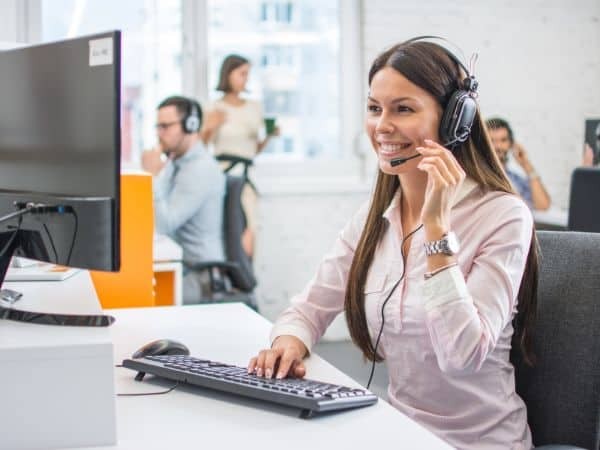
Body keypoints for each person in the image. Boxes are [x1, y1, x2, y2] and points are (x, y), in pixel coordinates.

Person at [248, 39, 539, 450]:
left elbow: (463, 356)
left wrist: (436, 231)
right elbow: (308, 308)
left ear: (456, 119)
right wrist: (288, 343)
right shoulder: (376, 216)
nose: (382, 125)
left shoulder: (503, 216)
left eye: (403, 108)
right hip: (398, 434)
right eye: (374, 108)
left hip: (480, 444)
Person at [142, 95, 226, 304]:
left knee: (142, 300)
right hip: (180, 265)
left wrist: (151, 176)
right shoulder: (176, 162)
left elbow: (164, 224)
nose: (159, 134)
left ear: (191, 125)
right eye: (157, 127)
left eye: (165, 127)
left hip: (199, 276)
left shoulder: (200, 170)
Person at [200, 54, 278, 258]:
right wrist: (210, 126)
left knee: (250, 227)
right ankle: (226, 278)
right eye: (242, 74)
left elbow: (254, 150)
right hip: (222, 176)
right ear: (228, 74)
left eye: (248, 74)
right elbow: (201, 146)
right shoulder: (214, 107)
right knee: (224, 228)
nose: (246, 79)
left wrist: (269, 135)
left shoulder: (255, 107)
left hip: (246, 176)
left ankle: (245, 277)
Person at [486, 117, 551, 210]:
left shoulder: (516, 179)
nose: (498, 146)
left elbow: (543, 206)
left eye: (503, 140)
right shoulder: (478, 176)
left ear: (511, 144)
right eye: (491, 141)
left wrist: (526, 164)